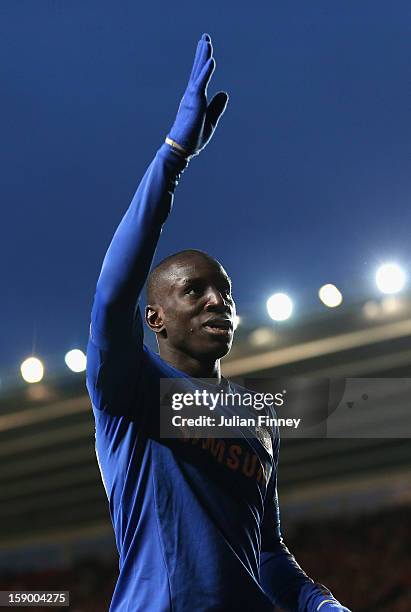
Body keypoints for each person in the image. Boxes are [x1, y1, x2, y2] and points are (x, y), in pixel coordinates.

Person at [86, 33, 351, 612]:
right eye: (195, 290)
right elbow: (111, 297)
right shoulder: (133, 390)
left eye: (226, 292)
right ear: (153, 316)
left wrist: (319, 605)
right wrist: (172, 158)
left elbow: (267, 553)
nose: (217, 302)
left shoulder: (255, 420)